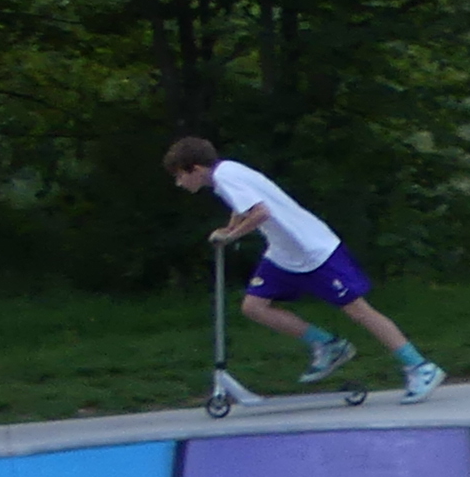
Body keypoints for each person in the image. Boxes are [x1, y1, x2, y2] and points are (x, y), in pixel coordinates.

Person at [163, 138, 445, 402]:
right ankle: (329, 345)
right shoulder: (226, 172)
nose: (178, 183)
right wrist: (230, 227)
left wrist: (231, 237)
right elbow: (243, 205)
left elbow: (261, 212)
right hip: (284, 254)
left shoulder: (225, 177)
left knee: (358, 310)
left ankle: (421, 367)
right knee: (254, 306)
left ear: (196, 169)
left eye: (179, 175)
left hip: (314, 251)